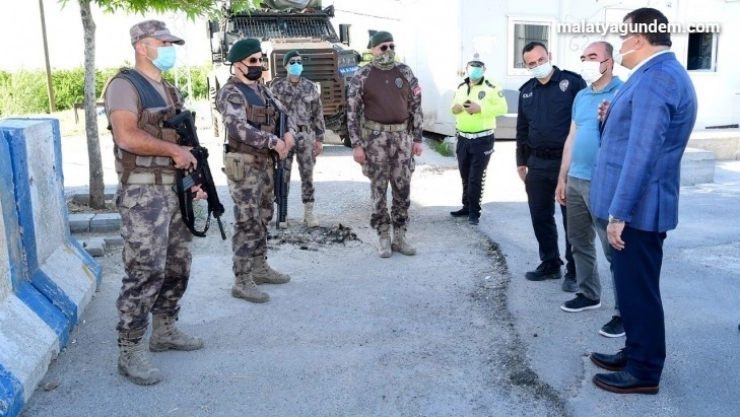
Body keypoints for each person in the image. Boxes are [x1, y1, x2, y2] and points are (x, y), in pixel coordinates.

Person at [589, 7, 697, 394]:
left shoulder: (659, 77)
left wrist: (620, 213)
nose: (620, 45)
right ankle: (635, 351)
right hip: (637, 206)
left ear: (638, 38)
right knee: (632, 288)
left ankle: (644, 371)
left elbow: (643, 152)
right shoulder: (654, 74)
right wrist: (609, 118)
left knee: (639, 292)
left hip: (638, 211)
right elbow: (632, 136)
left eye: (623, 37)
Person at [104, 20, 205, 386]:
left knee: (178, 265)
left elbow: (184, 142)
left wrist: (195, 180)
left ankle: (165, 330)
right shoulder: (124, 86)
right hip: (143, 194)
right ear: (141, 46)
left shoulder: (170, 90)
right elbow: (127, 136)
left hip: (176, 190)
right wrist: (173, 151)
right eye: (162, 43)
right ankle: (130, 349)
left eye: (171, 43)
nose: (169, 49)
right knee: (145, 270)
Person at [215, 38, 297, 304]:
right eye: (253, 60)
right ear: (236, 64)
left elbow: (283, 114)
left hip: (265, 163)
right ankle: (241, 280)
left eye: (260, 59)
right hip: (243, 163)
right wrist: (274, 141)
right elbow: (238, 128)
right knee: (247, 219)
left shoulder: (263, 89)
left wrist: (289, 132)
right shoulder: (230, 92)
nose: (258, 64)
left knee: (263, 214)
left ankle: (259, 268)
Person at [554, 41, 625, 338]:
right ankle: (589, 293)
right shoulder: (581, 95)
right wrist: (562, 177)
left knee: (614, 251)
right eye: (583, 57)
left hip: (604, 182)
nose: (586, 62)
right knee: (579, 241)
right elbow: (572, 137)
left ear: (609, 61)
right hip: (576, 179)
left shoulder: (623, 93)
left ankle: (625, 312)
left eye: (592, 57)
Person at [346, 31, 423, 258]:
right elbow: (352, 113)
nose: (388, 51)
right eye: (383, 47)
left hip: (402, 139)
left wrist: (418, 138)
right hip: (375, 140)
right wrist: (357, 145)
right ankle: (383, 237)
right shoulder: (362, 75)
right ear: (372, 50)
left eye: (391, 46)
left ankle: (400, 237)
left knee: (403, 189)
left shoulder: (405, 72)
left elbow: (416, 105)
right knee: (379, 190)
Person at [516, 41, 586, 286]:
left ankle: (575, 271)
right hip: (536, 162)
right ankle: (550, 263)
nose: (537, 65)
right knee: (540, 216)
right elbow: (522, 128)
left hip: (567, 163)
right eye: (531, 63)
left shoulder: (572, 83)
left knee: (572, 219)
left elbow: (585, 122)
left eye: (541, 60)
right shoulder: (526, 91)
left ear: (550, 56)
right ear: (526, 66)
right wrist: (521, 161)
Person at [449, 53, 508, 225]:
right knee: (465, 174)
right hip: (463, 138)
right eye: (472, 67)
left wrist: (480, 108)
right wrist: (455, 109)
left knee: (476, 176)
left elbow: (502, 108)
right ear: (466, 69)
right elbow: (453, 107)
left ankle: (475, 211)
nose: (474, 70)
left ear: (484, 69)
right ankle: (466, 206)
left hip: (482, 139)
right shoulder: (461, 86)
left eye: (478, 67)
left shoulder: (492, 86)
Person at [270, 50, 325, 228]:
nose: (296, 65)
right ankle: (283, 214)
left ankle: (309, 213)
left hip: (305, 136)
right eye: (292, 62)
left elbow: (318, 113)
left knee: (307, 175)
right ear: (286, 65)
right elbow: (271, 113)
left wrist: (319, 139)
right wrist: (273, 139)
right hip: (284, 137)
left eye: (299, 62)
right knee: (282, 175)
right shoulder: (277, 87)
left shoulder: (310, 87)